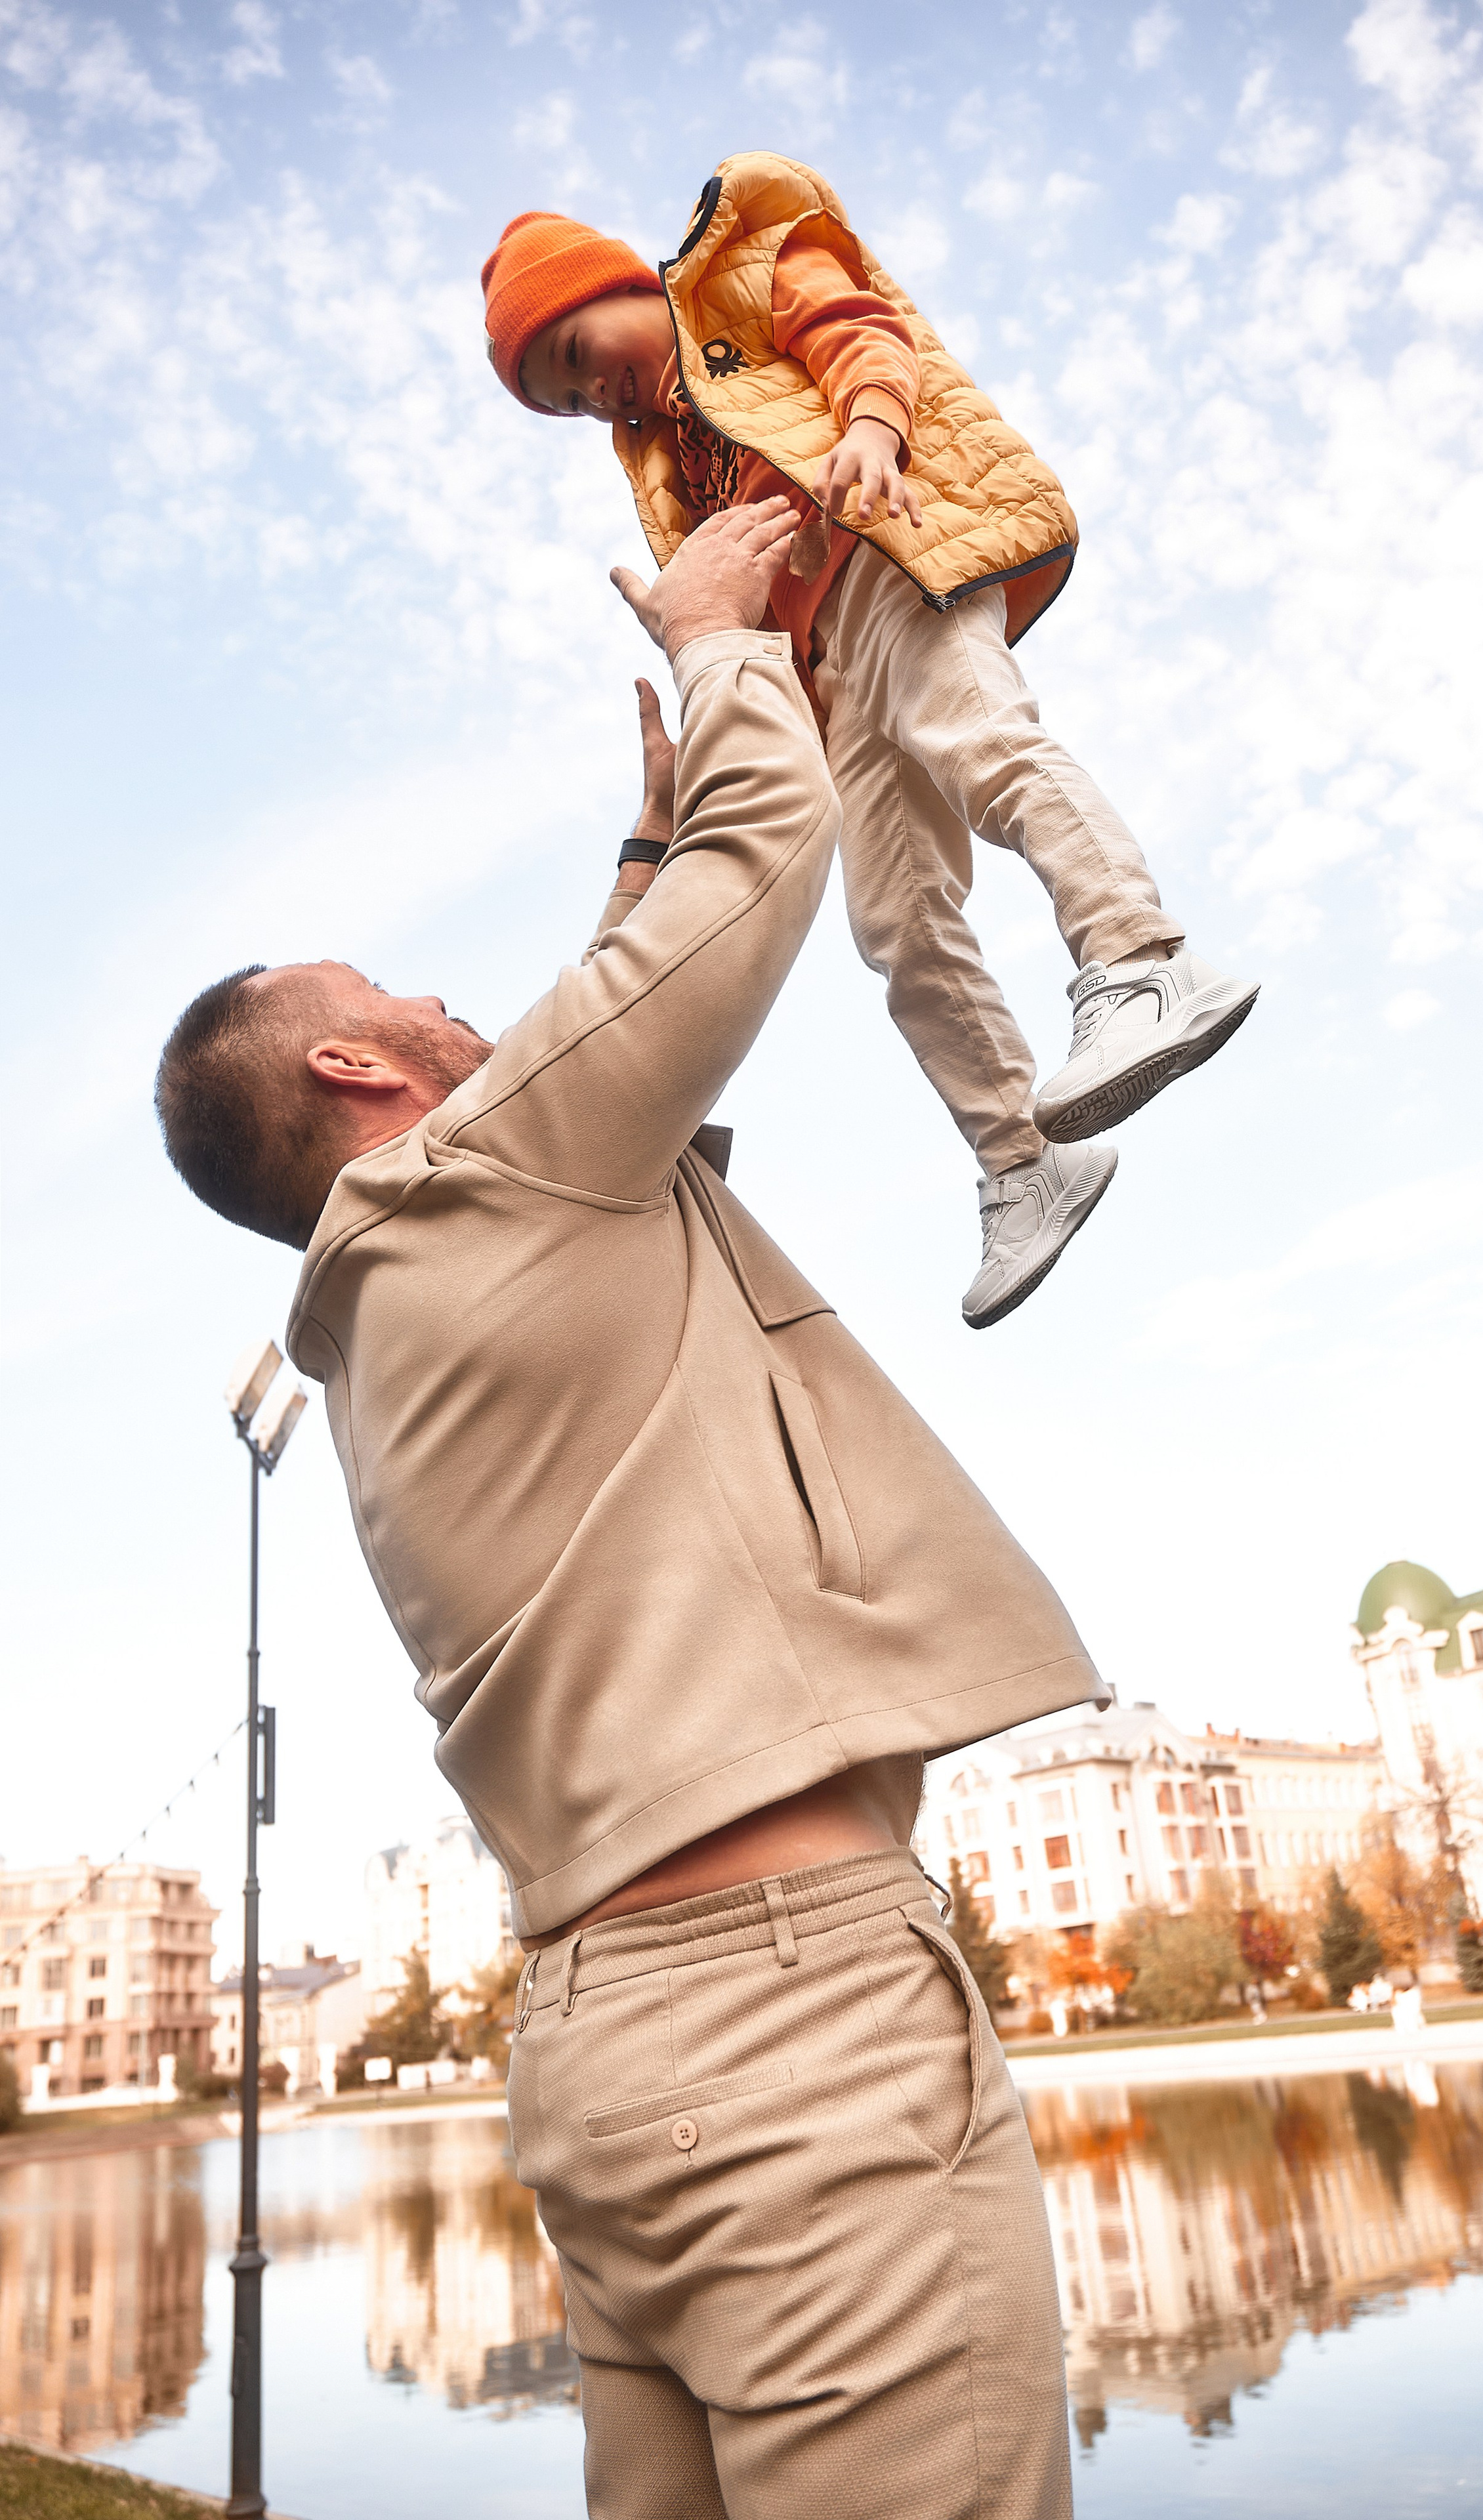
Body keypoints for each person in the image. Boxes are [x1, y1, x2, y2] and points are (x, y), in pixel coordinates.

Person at [155, 501, 1098, 2518]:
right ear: (352, 1061)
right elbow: (761, 882)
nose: (440, 996)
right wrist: (716, 645)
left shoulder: (387, 1299)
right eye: (395, 988)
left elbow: (580, 1026)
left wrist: (636, 849)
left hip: (609, 2062)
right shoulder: (493, 1181)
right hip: (792, 2033)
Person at [480, 150, 1260, 1329]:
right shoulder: (666, 464)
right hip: (833, 668)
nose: (600, 400)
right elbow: (744, 602)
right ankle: (1023, 1163)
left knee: (979, 737)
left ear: (624, 287)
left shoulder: (738, 278)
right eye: (571, 403)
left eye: (583, 361)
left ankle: (1142, 958)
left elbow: (863, 331)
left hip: (894, 550)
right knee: (894, 924)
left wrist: (876, 430)